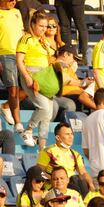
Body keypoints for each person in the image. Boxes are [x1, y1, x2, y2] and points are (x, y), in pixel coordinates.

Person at [16, 10, 53, 149]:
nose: (43, 29)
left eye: (45, 26)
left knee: (48, 113)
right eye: (41, 26)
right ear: (33, 24)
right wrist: (27, 77)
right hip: (31, 74)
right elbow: (19, 61)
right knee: (43, 107)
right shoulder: (26, 38)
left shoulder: (43, 41)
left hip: (45, 77)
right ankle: (29, 130)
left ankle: (42, 147)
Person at [37, 122, 94, 194]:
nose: (71, 137)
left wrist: (91, 185)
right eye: (67, 134)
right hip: (55, 187)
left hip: (73, 185)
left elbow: (83, 173)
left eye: (71, 134)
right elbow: (39, 171)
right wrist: (55, 179)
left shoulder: (75, 154)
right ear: (58, 137)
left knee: (78, 179)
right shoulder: (48, 152)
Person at [0, 0, 24, 131]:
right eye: (10, 0)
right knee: (13, 88)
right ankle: (18, 123)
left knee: (27, 87)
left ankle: (6, 106)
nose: (13, 2)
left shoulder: (17, 12)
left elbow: (21, 33)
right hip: (4, 54)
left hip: (20, 54)